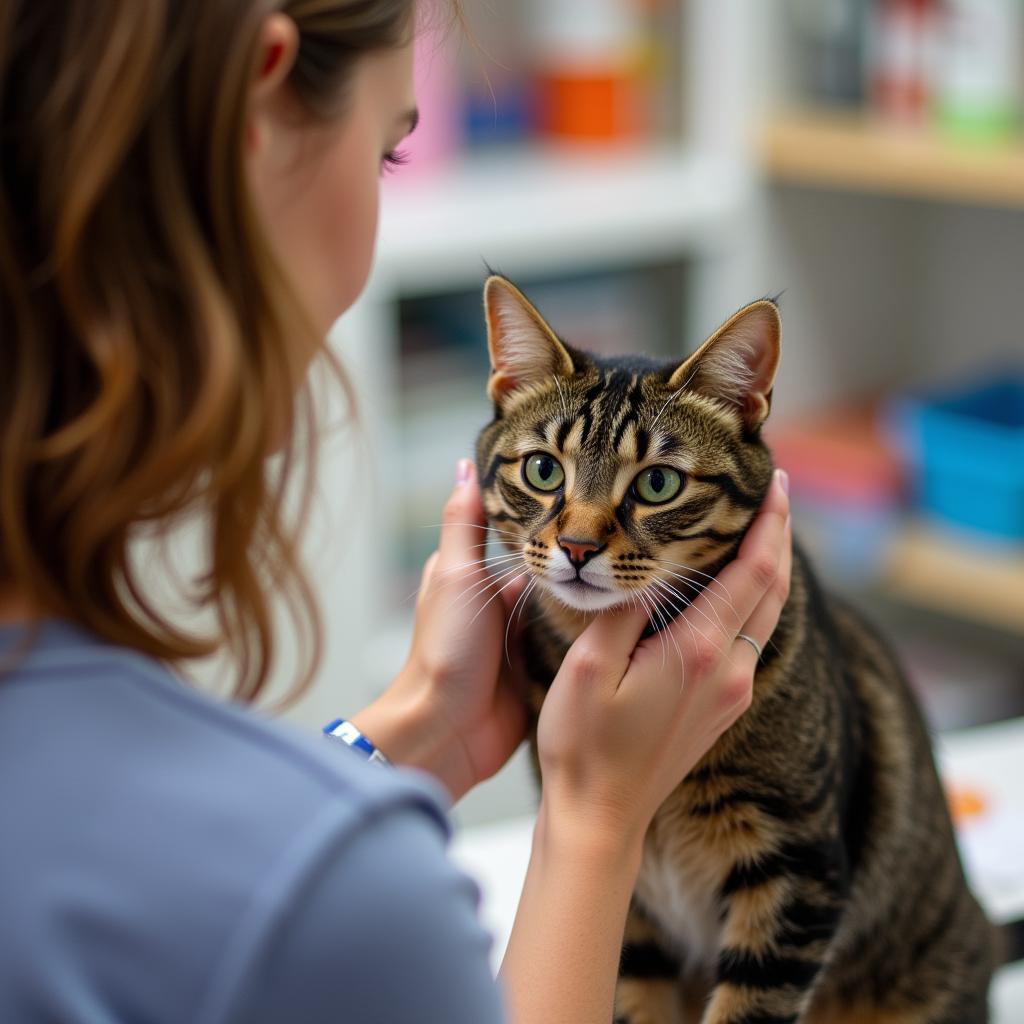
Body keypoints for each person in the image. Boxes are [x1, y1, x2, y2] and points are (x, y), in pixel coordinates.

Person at [0, 1, 792, 1022]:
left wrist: (425, 722)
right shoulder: (349, 896)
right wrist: (596, 823)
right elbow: (260, 891)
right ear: (260, 105)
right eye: (387, 154)